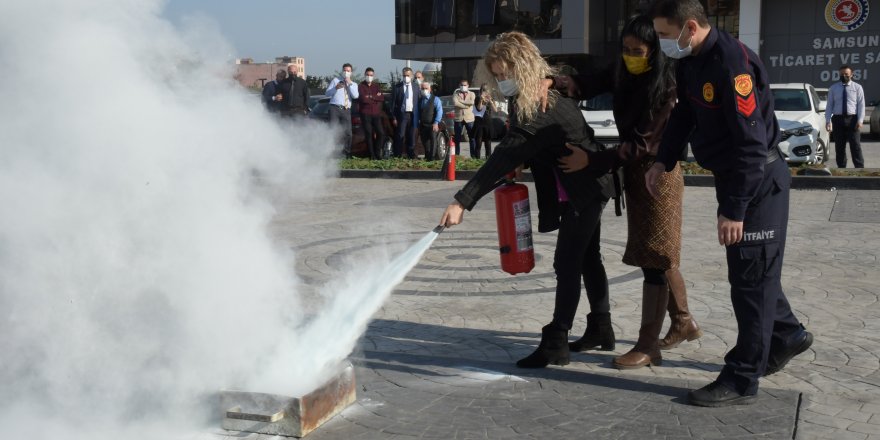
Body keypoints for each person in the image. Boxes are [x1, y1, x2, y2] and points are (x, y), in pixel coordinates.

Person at [646, 0, 813, 407]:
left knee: (749, 282)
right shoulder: (692, 60)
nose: (663, 43)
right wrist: (663, 159)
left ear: (689, 27)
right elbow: (686, 112)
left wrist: (735, 208)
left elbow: (752, 147)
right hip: (737, 178)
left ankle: (742, 377)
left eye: (666, 34)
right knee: (754, 271)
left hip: (756, 181)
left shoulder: (732, 64)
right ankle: (786, 334)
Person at [439, 31, 615, 369]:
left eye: (505, 73)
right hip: (578, 187)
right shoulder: (528, 97)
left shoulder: (541, 103)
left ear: (522, 67)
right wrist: (525, 156)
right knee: (588, 259)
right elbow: (528, 145)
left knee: (567, 263)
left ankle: (556, 341)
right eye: (497, 74)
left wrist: (462, 201)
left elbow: (503, 155)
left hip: (588, 188)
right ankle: (601, 329)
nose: (502, 80)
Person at [548, 14, 701, 370]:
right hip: (635, 172)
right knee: (656, 252)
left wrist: (592, 160)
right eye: (626, 49)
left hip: (658, 174)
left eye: (638, 51)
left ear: (654, 53)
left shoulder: (665, 87)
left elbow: (642, 145)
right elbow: (592, 81)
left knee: (656, 256)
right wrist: (562, 82)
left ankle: (650, 344)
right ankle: (683, 322)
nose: (630, 55)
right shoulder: (623, 71)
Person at [825, 65, 865, 168]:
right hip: (838, 119)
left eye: (846, 74)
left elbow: (861, 105)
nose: (844, 76)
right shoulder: (833, 88)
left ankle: (860, 168)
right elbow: (829, 105)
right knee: (839, 146)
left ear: (851, 75)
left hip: (853, 119)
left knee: (855, 145)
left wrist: (860, 120)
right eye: (842, 74)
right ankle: (841, 168)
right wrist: (828, 121)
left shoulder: (857, 87)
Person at [325, 63, 359, 158]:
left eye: (348, 71)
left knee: (348, 133)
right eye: (344, 70)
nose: (346, 72)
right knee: (333, 131)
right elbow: (327, 93)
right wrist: (335, 88)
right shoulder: (335, 80)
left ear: (351, 72)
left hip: (346, 109)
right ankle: (333, 153)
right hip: (334, 108)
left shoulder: (354, 84)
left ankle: (346, 152)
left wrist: (350, 84)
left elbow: (355, 96)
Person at [358, 67, 386, 160]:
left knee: (381, 133)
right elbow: (363, 99)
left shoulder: (376, 86)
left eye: (371, 75)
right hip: (365, 113)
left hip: (376, 114)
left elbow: (381, 97)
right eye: (367, 75)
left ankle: (377, 152)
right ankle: (372, 155)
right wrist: (374, 97)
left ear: (373, 76)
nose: (369, 77)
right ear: (365, 75)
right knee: (369, 134)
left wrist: (370, 96)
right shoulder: (361, 86)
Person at [391, 67, 419, 158]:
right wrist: (394, 117)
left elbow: (418, 101)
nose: (406, 77)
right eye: (404, 75)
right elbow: (393, 103)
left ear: (411, 75)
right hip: (402, 115)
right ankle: (398, 155)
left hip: (413, 114)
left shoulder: (415, 86)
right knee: (400, 135)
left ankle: (411, 155)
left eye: (408, 75)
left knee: (411, 135)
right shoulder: (397, 87)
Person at [418, 81, 443, 160]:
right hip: (423, 124)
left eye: (426, 88)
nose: (424, 90)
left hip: (432, 124)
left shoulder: (435, 99)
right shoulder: (420, 100)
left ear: (430, 89)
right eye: (422, 88)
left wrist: (436, 123)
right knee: (425, 141)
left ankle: (432, 157)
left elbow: (439, 111)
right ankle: (427, 156)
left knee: (433, 140)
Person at [471, 85, 496, 159]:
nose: (485, 92)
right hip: (479, 123)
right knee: (478, 143)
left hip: (488, 122)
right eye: (484, 90)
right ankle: (477, 160)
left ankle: (488, 159)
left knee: (488, 143)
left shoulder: (491, 99)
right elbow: (479, 108)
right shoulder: (478, 98)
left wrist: (491, 101)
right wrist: (481, 100)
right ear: (481, 91)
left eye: (487, 90)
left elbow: (495, 110)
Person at [453, 79, 476, 157]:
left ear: (468, 86)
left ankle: (473, 156)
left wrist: (461, 102)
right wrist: (466, 106)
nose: (463, 86)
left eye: (465, 85)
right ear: (459, 86)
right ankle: (457, 155)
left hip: (470, 119)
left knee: (472, 138)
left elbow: (472, 102)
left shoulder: (472, 94)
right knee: (457, 139)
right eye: (462, 85)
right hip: (458, 118)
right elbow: (456, 103)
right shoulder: (456, 94)